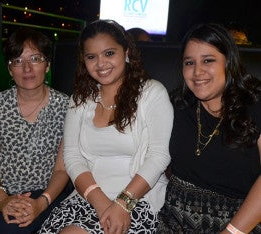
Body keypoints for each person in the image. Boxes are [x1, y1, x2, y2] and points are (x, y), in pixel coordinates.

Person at [38, 19, 173, 234]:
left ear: (126, 52)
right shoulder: (80, 100)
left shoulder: (152, 93)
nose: (101, 64)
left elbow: (158, 156)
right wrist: (100, 203)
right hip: (88, 197)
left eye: (109, 53)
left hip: (137, 201)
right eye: (92, 57)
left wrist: (121, 204)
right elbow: (72, 157)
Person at [157, 23, 261, 233]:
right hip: (174, 220)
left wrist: (232, 231)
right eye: (189, 62)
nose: (197, 72)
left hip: (240, 223)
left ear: (229, 62)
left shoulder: (255, 104)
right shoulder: (175, 105)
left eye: (208, 60)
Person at [0, 28, 73, 234]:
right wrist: (2, 200)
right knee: (7, 228)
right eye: (17, 61)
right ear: (10, 69)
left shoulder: (67, 107)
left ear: (47, 65)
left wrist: (41, 202)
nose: (26, 68)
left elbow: (62, 170)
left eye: (35, 58)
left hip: (48, 192)